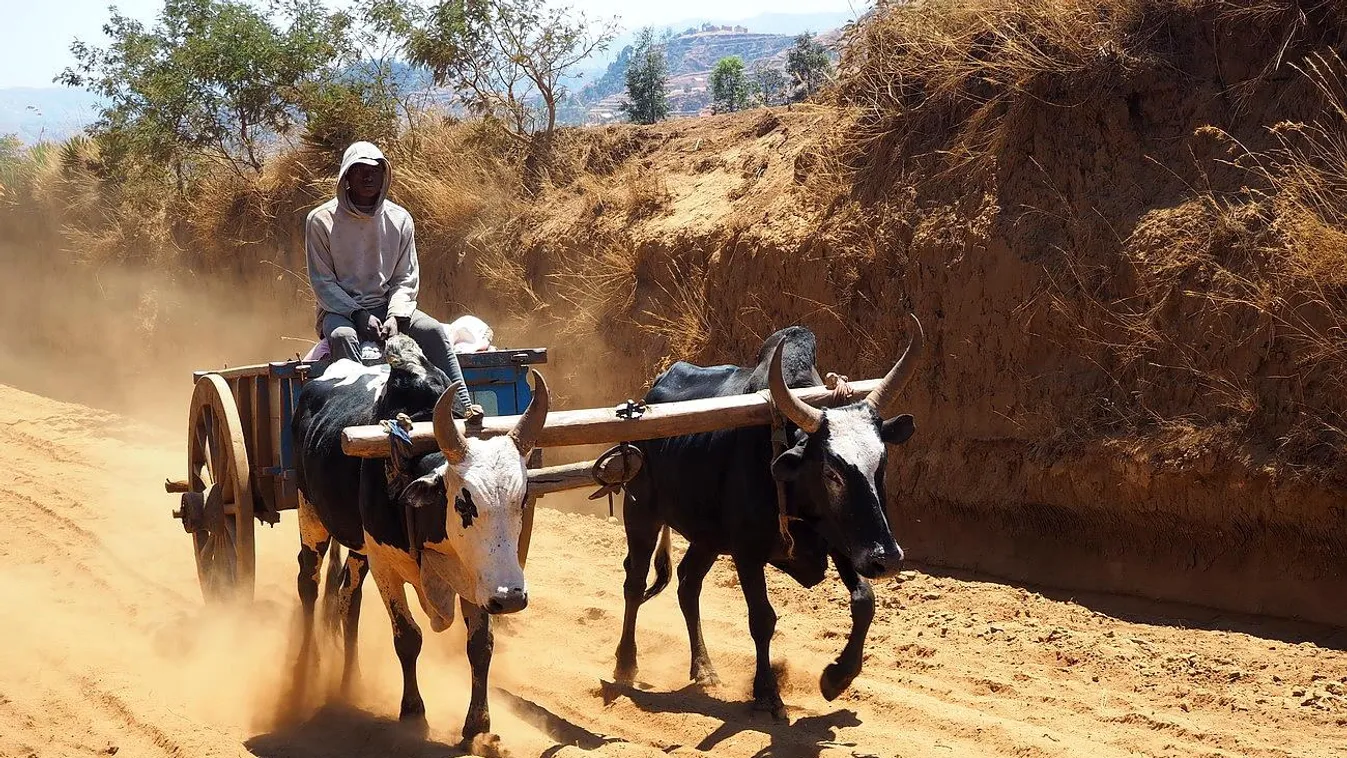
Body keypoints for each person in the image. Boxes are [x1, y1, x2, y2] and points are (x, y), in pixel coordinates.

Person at [304, 140, 481, 420]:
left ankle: (463, 409)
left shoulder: (400, 219)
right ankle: (359, 417)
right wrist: (358, 315)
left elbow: (405, 277)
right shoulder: (320, 220)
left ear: (384, 175)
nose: (368, 176)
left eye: (375, 170)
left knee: (434, 331)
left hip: (390, 308)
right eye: (359, 169)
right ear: (346, 176)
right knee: (343, 337)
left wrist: (396, 316)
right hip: (340, 312)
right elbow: (323, 282)